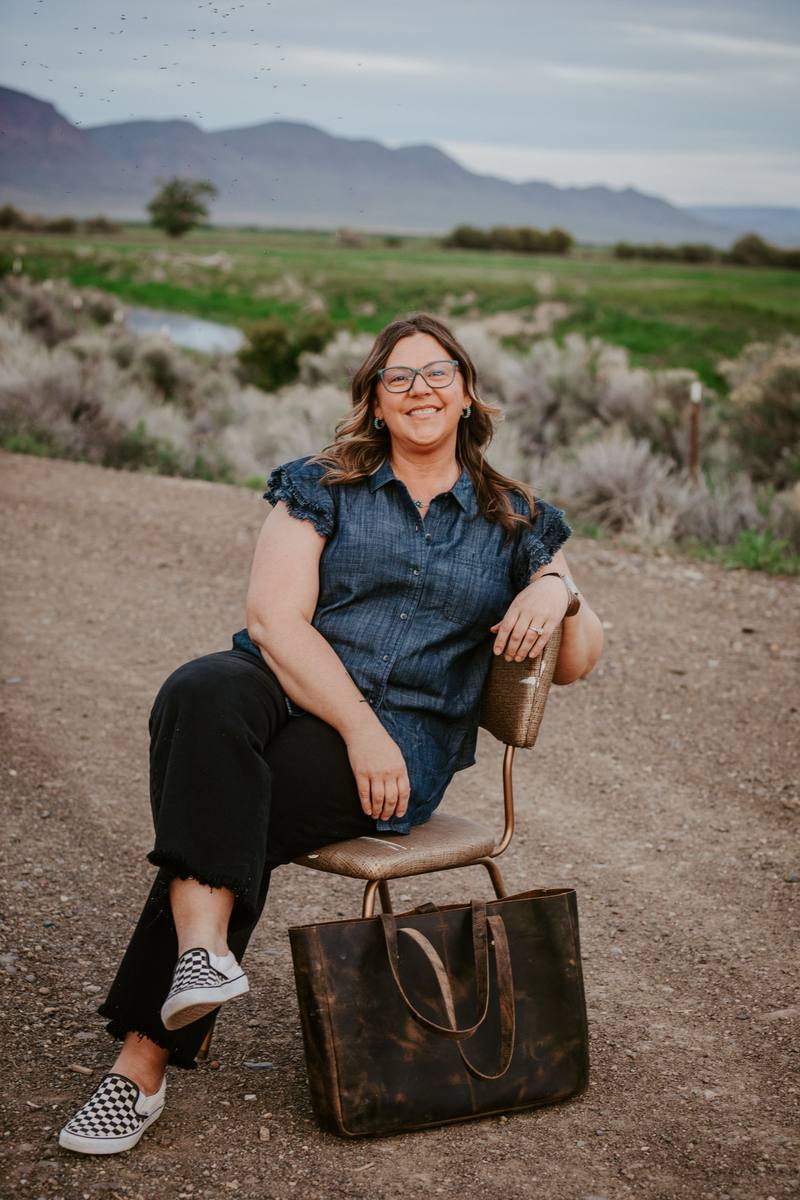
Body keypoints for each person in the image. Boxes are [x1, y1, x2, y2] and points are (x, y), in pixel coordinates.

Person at [59, 312, 603, 1154]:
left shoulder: (517, 520)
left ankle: (139, 1068)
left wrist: (559, 591)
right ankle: (202, 957)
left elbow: (574, 665)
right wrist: (355, 723)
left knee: (240, 797)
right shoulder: (324, 483)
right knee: (200, 690)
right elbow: (274, 620)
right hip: (293, 690)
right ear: (375, 403)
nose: (420, 389)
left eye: (438, 373)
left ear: (466, 393)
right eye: (399, 378)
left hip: (404, 746)